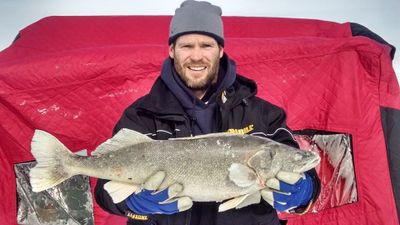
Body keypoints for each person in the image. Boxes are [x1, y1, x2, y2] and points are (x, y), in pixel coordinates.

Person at [95, 1, 320, 225]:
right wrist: (134, 204)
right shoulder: (141, 115)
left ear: (220, 50)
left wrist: (304, 191)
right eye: (186, 46)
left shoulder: (264, 115)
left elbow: (301, 170)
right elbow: (104, 191)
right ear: (172, 50)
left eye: (206, 45)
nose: (196, 56)